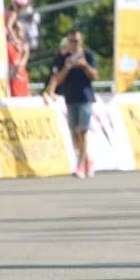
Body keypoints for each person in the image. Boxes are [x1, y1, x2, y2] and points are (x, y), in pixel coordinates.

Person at [45, 29, 99, 179]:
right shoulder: (62, 59)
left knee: (83, 130)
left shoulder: (88, 56)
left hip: (86, 98)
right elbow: (57, 79)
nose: (73, 44)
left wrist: (85, 65)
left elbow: (95, 76)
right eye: (71, 41)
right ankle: (88, 160)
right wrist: (67, 67)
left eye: (76, 41)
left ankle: (80, 164)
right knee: (75, 133)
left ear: (81, 42)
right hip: (70, 98)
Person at [6, 16, 31, 97]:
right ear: (14, 30)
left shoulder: (20, 46)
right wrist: (26, 54)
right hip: (16, 84)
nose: (22, 32)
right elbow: (17, 65)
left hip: (23, 81)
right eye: (20, 29)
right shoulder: (10, 46)